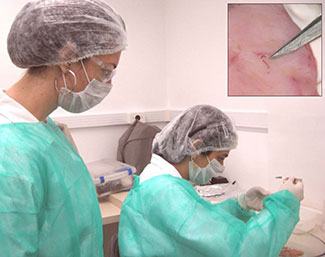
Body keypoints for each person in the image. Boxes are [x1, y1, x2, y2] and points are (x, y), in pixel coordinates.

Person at [0, 0, 127, 256]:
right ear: (68, 57)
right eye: (105, 72)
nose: (107, 84)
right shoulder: (8, 153)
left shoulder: (45, 129)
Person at [118, 105, 304, 257]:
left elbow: (198, 221)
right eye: (221, 157)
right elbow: (241, 250)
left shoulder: (154, 180)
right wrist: (285, 204)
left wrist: (240, 206)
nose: (221, 167)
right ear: (197, 148)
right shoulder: (168, 193)